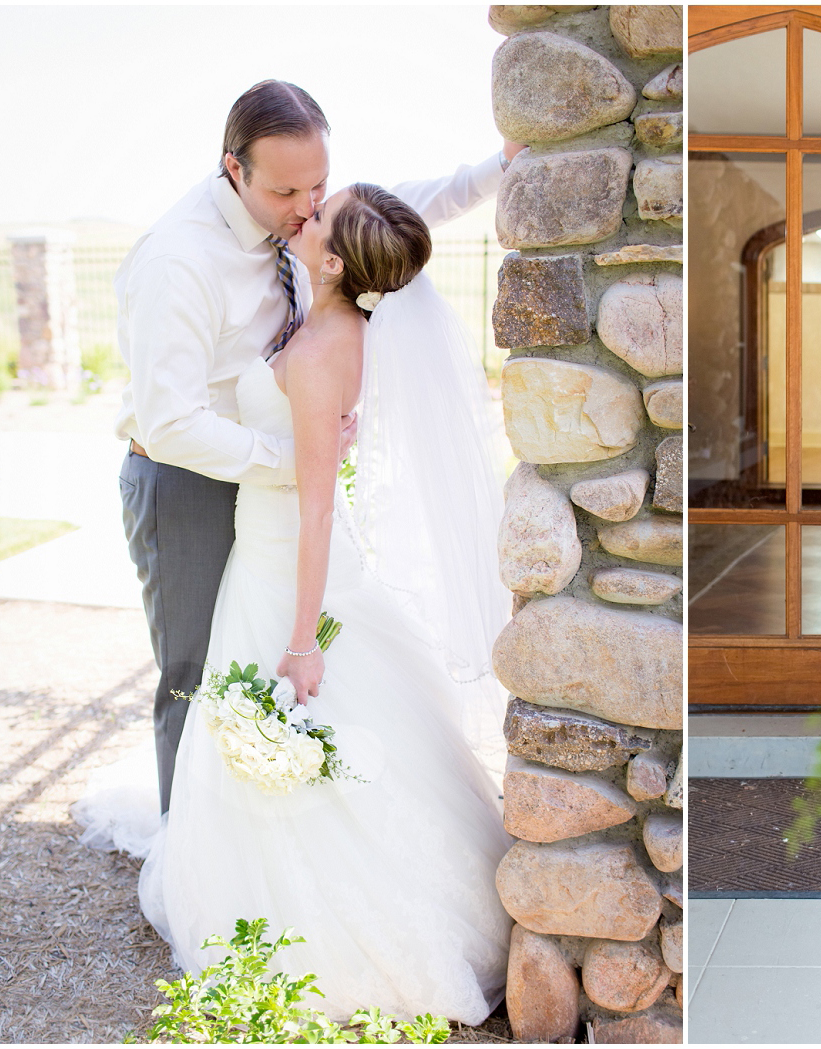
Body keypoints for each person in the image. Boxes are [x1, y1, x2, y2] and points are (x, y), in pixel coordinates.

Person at [92, 183, 517, 1023]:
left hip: (286, 565)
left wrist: (300, 639)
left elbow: (318, 504)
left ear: (331, 260)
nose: (305, 213)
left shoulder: (327, 346)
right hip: (266, 547)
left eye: (319, 214)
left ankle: (330, 923)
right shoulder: (325, 319)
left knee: (298, 726)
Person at [114, 79, 521, 813]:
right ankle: (189, 840)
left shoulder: (311, 225)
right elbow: (169, 421)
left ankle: (274, 825)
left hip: (281, 485)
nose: (306, 207)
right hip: (187, 479)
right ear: (234, 169)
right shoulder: (179, 260)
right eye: (287, 192)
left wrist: (499, 168)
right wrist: (300, 462)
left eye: (320, 185)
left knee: (263, 654)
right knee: (193, 670)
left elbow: (397, 211)